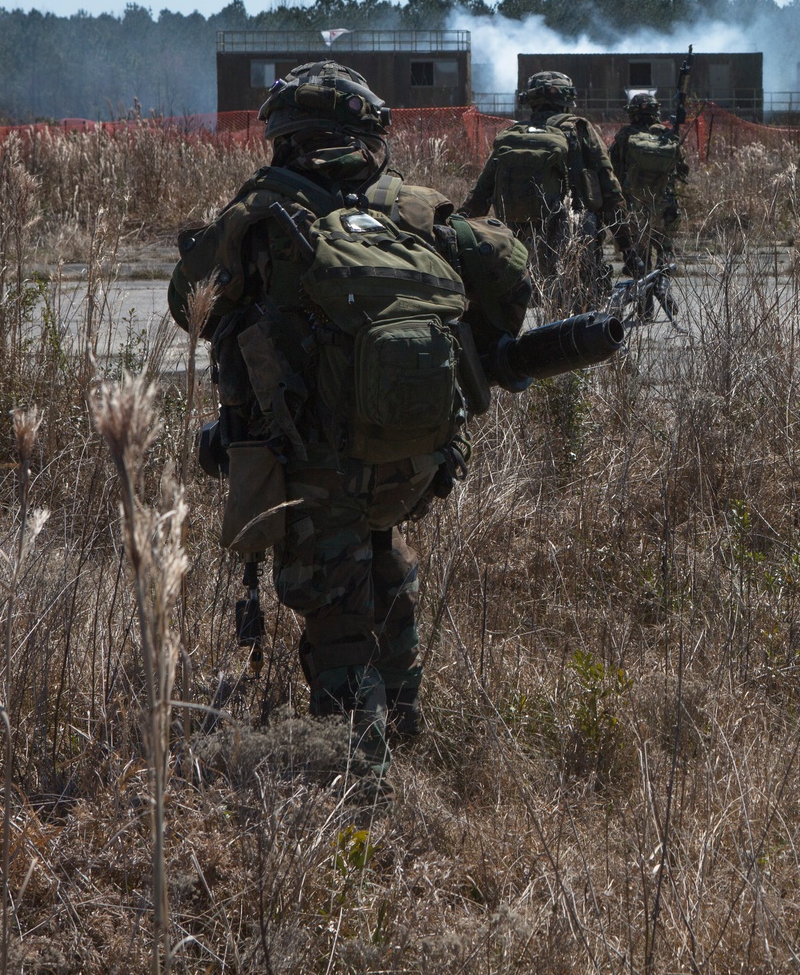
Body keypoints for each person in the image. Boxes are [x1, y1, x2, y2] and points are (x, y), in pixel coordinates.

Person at [168, 61, 531, 778]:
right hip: (418, 459)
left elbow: (190, 301)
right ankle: (404, 723)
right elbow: (512, 278)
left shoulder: (263, 209)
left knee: (335, 619)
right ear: (369, 135)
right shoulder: (415, 208)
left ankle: (356, 786)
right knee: (385, 560)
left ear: (283, 137)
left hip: (316, 466)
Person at [459, 70, 641, 308]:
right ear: (568, 99)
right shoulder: (580, 129)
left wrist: (454, 226)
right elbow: (611, 192)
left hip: (519, 245)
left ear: (529, 100)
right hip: (574, 240)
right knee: (583, 316)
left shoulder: (513, 135)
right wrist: (627, 248)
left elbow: (481, 194)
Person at [609, 93, 689, 320]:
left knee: (641, 260)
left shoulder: (625, 135)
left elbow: (612, 166)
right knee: (665, 250)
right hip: (664, 207)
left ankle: (645, 310)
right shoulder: (667, 136)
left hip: (636, 206)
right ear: (656, 112)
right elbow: (683, 171)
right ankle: (662, 284)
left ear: (631, 113)